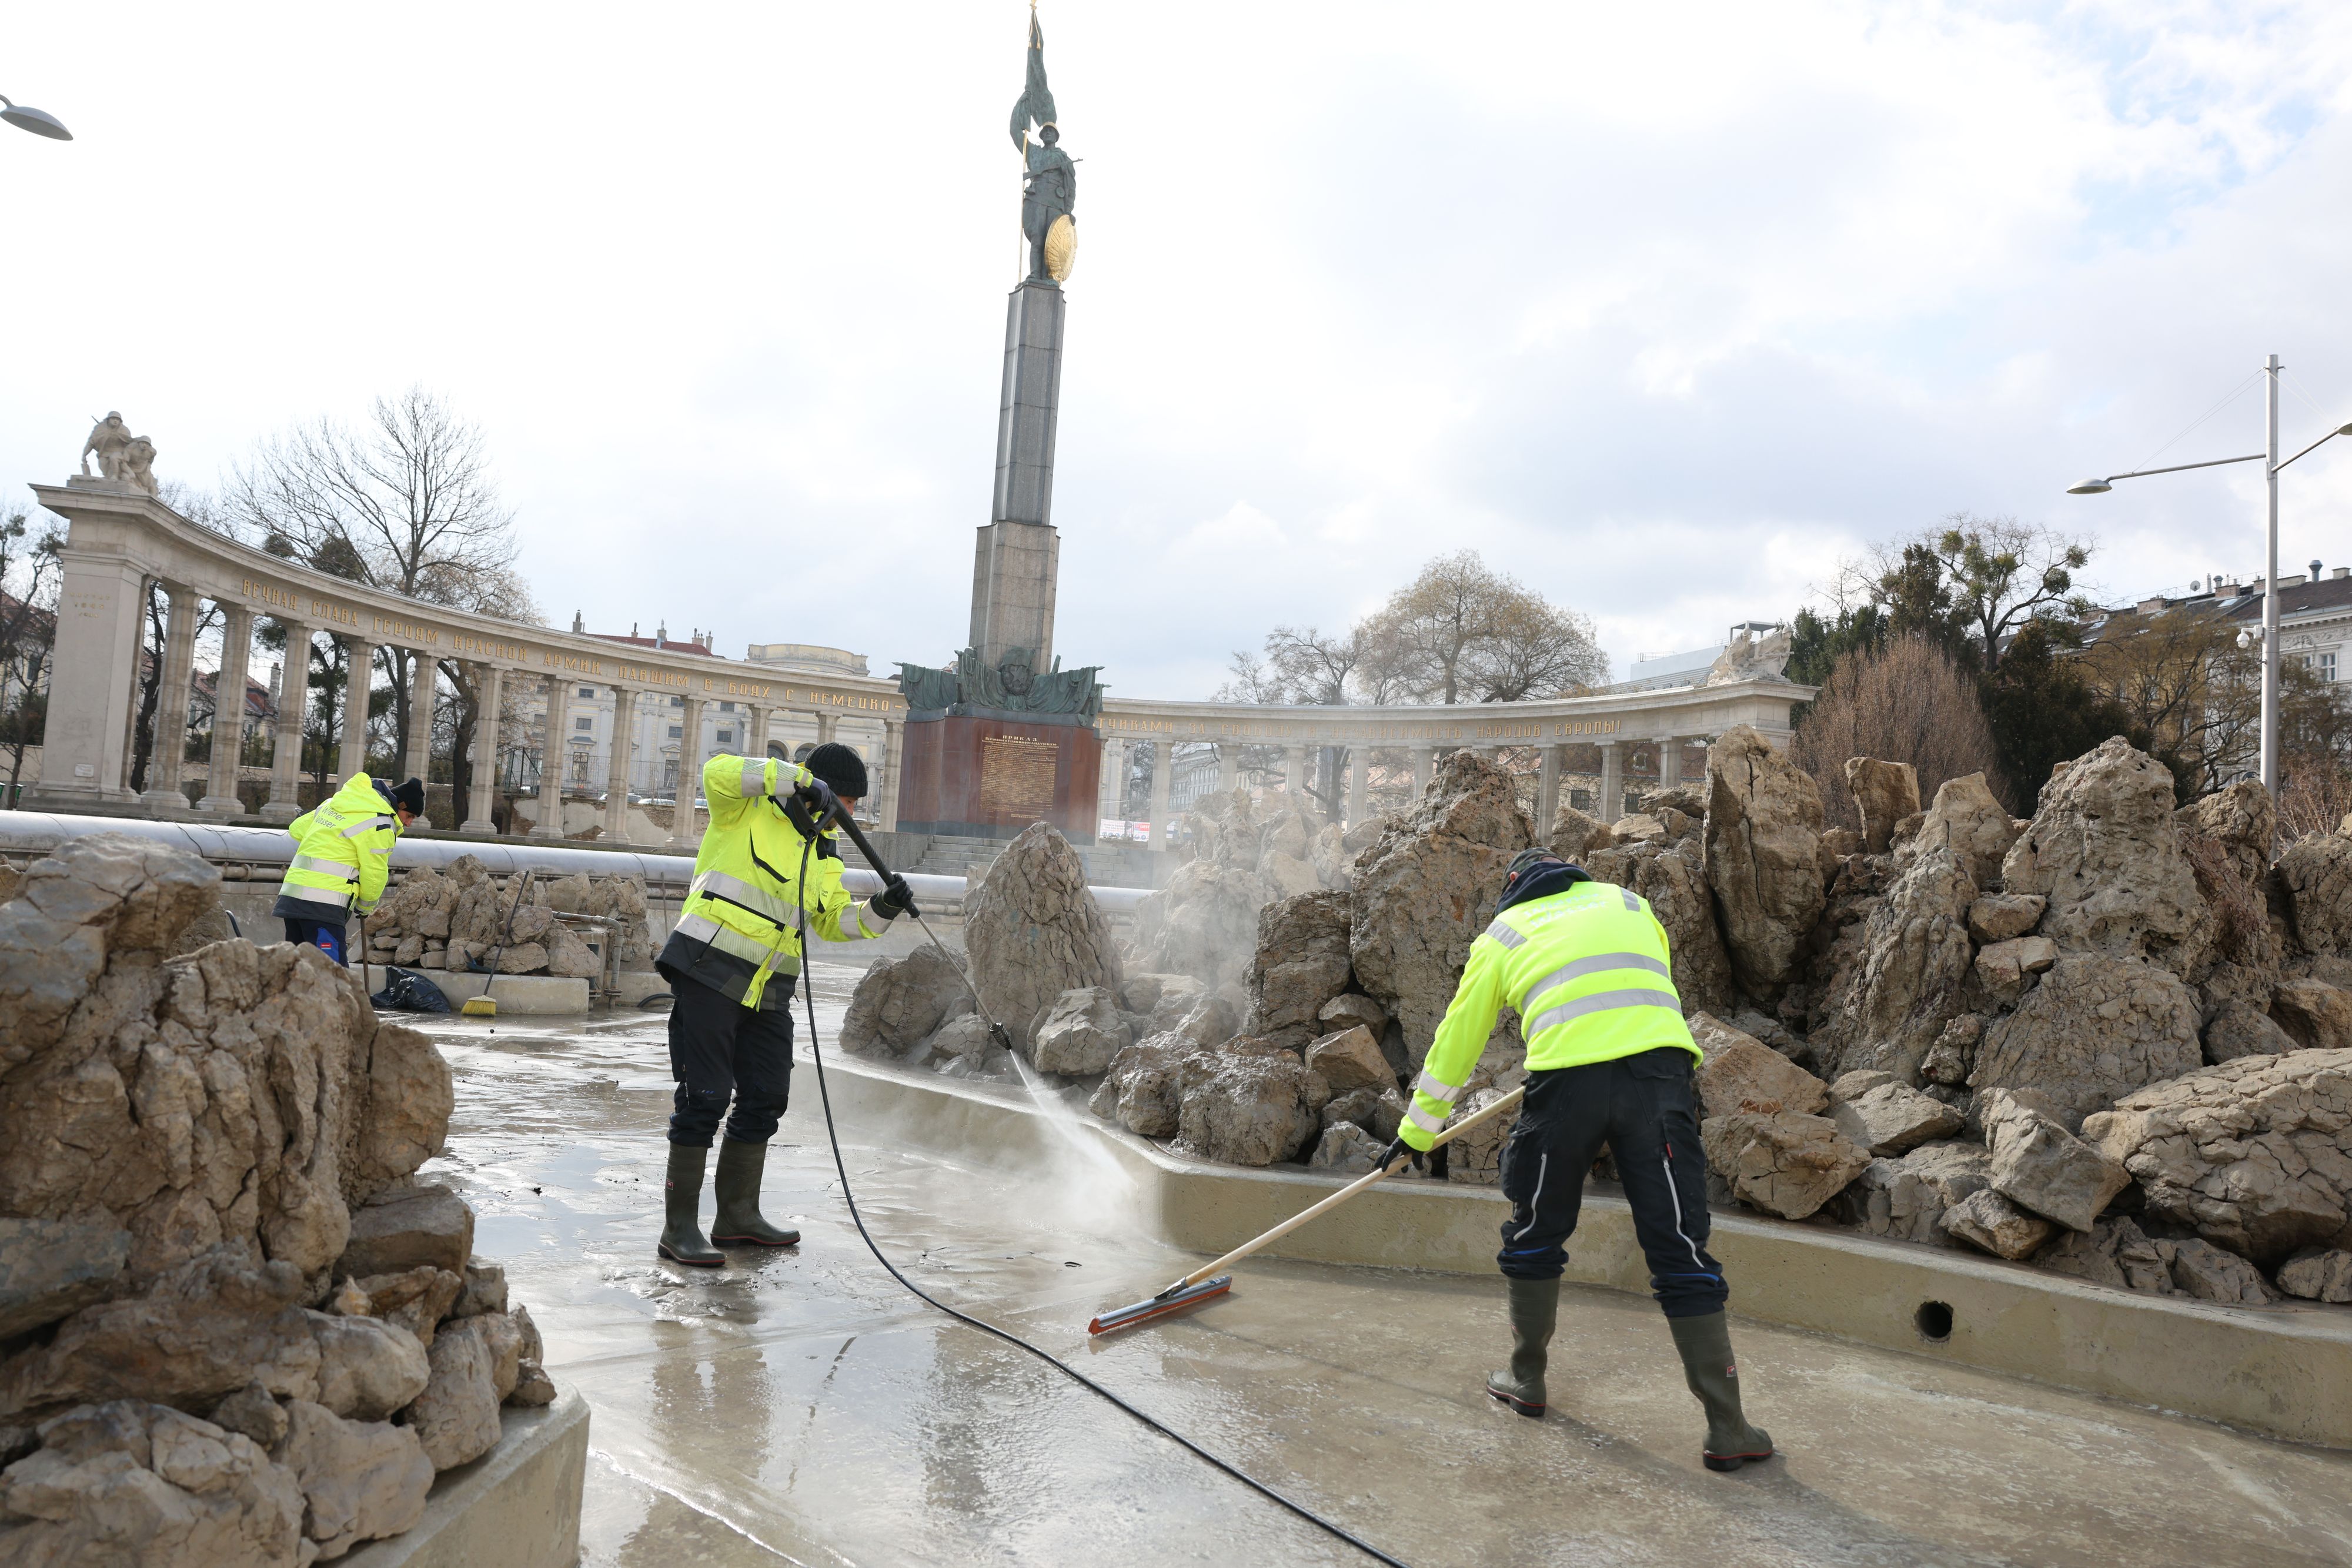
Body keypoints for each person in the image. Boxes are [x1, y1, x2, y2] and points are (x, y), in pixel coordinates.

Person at [1384, 847, 1774, 1472]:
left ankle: (1524, 1378)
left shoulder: (1501, 934)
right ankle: (1728, 1428)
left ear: (1514, 894)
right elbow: (1645, 987)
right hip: (1660, 1076)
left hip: (1565, 1085)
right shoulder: (1631, 903)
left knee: (1537, 1229)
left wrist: (1417, 1133)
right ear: (1573, 881)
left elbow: (1457, 1040)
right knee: (1680, 1247)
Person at [652, 742, 918, 1268]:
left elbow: (833, 921)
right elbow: (715, 768)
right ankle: (678, 1227)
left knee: (768, 1095)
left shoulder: (822, 849)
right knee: (705, 1096)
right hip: (709, 969)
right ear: (813, 786)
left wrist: (882, 909)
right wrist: (792, 778)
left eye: (851, 806)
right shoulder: (746, 806)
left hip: (769, 988)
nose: (847, 814)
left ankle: (737, 1216)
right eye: (842, 800)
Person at [273, 774, 424, 966]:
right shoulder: (381, 824)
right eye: (409, 816)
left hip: (292, 900)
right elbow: (375, 874)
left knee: (298, 972)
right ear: (400, 806)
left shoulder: (333, 803)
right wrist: (365, 907)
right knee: (334, 976)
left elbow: (296, 829)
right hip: (323, 905)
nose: (409, 823)